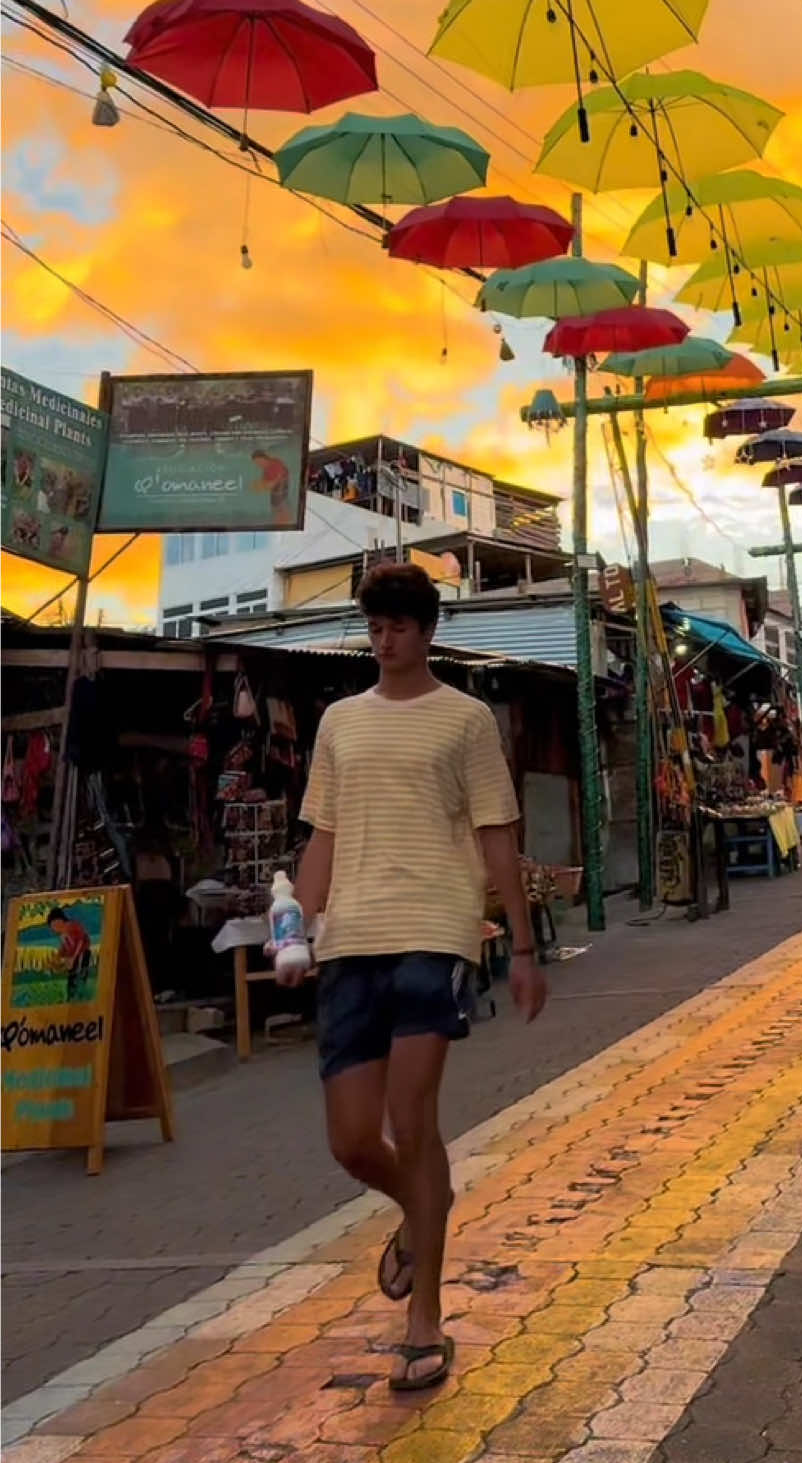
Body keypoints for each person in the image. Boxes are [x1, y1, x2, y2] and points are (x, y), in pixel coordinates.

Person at [288, 562, 547, 1393]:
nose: (385, 638)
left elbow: (497, 833)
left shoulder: (465, 720)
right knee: (352, 1139)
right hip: (349, 936)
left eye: (398, 625)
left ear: (427, 631)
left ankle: (423, 1317)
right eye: (374, 626)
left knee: (412, 1113)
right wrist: (295, 919)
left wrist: (525, 945)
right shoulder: (337, 722)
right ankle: (421, 1206)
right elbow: (322, 835)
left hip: (435, 929)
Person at [47, 905, 92, 1000]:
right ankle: (71, 997)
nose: (54, 929)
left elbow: (81, 941)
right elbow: (64, 948)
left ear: (58, 921)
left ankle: (80, 995)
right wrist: (57, 957)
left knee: (81, 974)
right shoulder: (63, 935)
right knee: (72, 977)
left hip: (82, 953)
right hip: (74, 957)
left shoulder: (72, 926)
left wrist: (73, 957)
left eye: (53, 926)